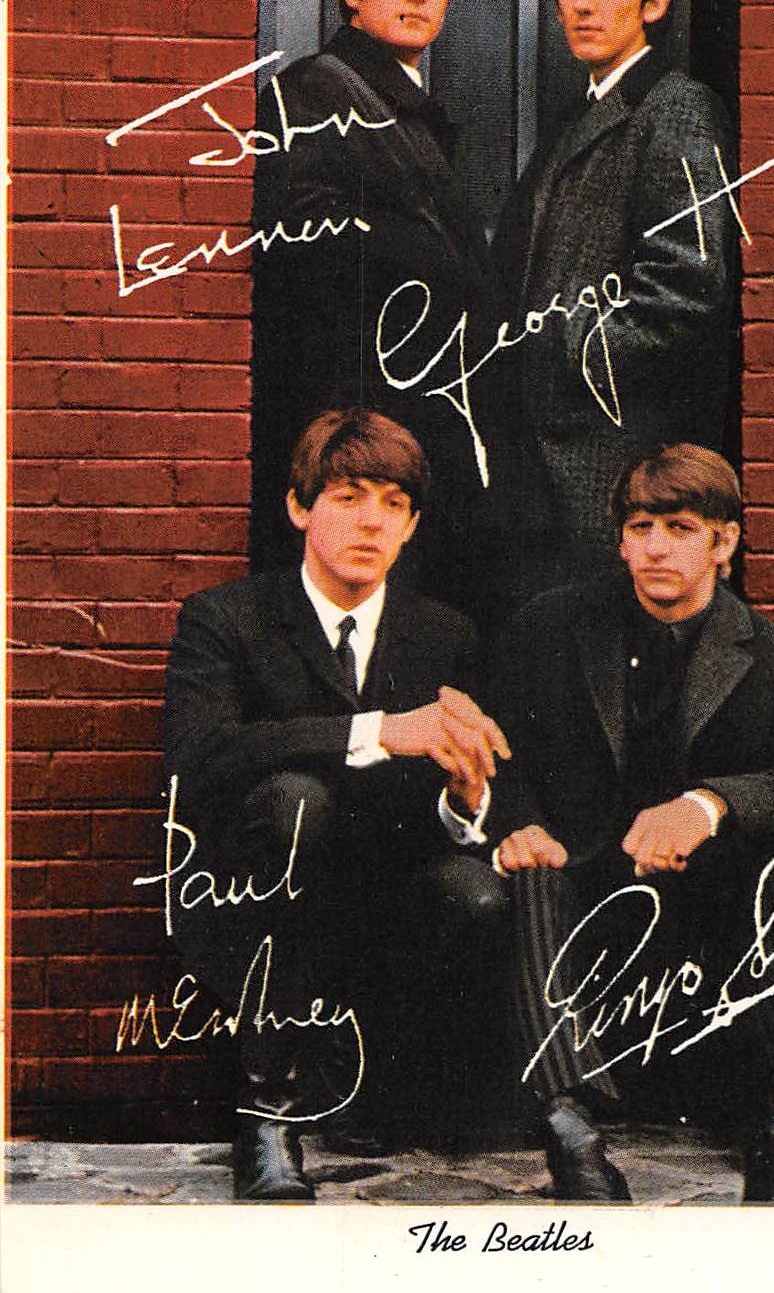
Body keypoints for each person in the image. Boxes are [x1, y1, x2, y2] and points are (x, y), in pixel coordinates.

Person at [486, 444, 774, 1204]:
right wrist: (519, 824)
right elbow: (500, 754)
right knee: (532, 871)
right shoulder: (548, 630)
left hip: (709, 932)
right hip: (580, 913)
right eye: (640, 526)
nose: (656, 546)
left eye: (680, 527)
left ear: (725, 542)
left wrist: (706, 806)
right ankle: (570, 1131)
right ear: (620, 540)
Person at [163, 409, 509, 1202]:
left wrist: (464, 797)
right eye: (348, 496)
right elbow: (198, 757)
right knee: (296, 801)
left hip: (381, 907)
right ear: (299, 506)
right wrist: (377, 728)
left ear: (411, 525)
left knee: (475, 890)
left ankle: (391, 1092)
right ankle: (267, 1114)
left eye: (394, 503)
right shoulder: (227, 617)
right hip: (258, 903)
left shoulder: (443, 634)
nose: (371, 521)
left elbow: (448, 818)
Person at [487, 0, 741, 613]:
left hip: (613, 458)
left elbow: (684, 289)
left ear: (653, 4)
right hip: (551, 463)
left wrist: (561, 351)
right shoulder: (584, 111)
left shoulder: (675, 109)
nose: (581, 4)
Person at [250, 0, 495, 612]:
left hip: (412, 415)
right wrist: (441, 267)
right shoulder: (315, 89)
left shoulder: (410, 106)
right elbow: (305, 241)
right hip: (358, 420)